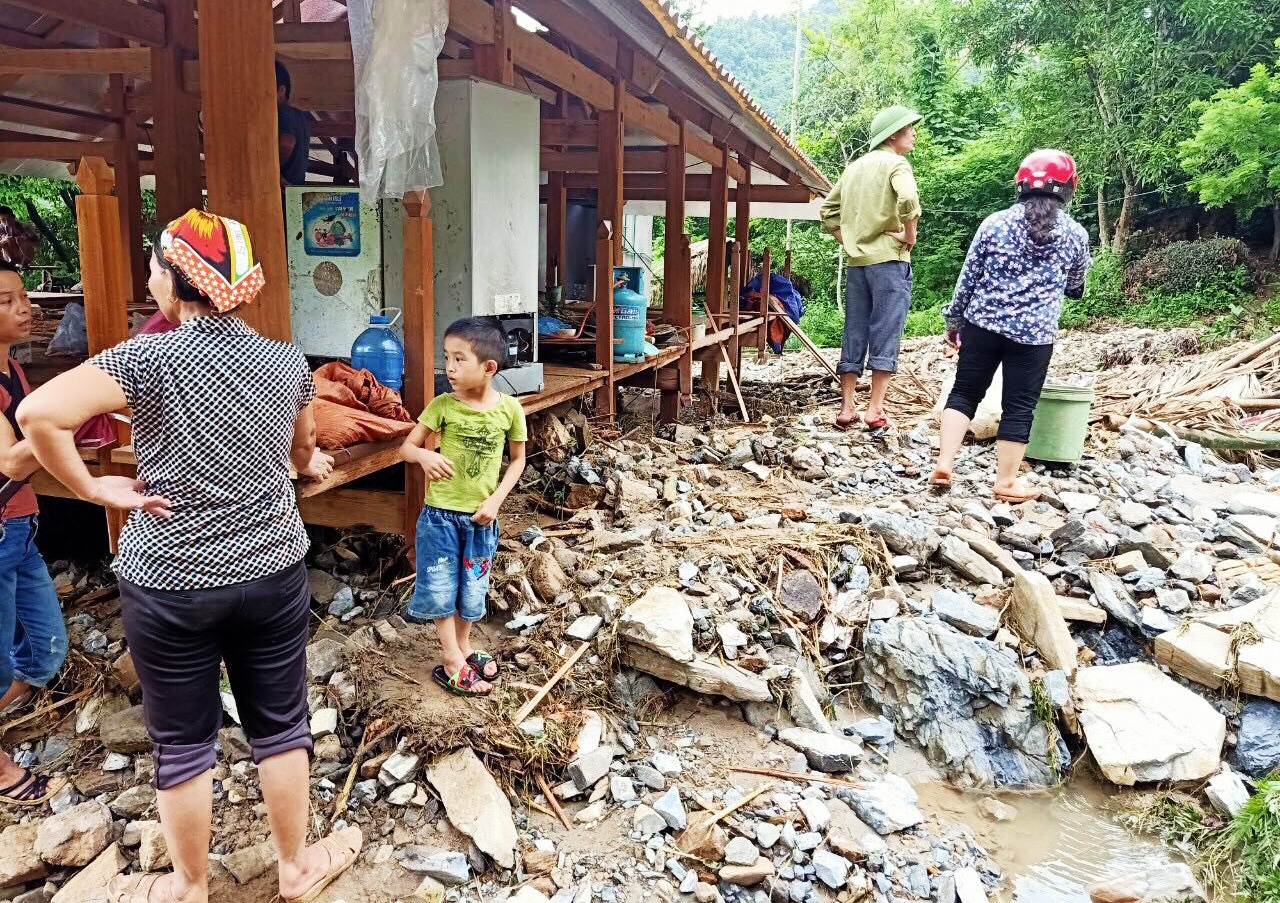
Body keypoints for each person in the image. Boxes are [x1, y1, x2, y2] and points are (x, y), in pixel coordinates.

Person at [18, 210, 355, 903]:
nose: (148, 277)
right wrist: (303, 460)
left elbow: (37, 416)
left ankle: (189, 885)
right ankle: (295, 869)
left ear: (175, 281)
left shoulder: (145, 359)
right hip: (271, 569)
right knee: (282, 726)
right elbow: (299, 453)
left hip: (169, 580)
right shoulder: (286, 360)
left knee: (183, 744)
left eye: (154, 267)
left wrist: (86, 486)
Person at [930, 150, 1091, 503]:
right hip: (1034, 337)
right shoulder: (1075, 234)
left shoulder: (994, 223)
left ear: (1020, 184)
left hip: (983, 325)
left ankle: (944, 464)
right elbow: (1077, 286)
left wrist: (954, 322)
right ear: (1068, 188)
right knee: (1019, 406)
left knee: (964, 393)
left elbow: (967, 279)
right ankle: (1005, 482)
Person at [400, 317, 527, 698]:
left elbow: (518, 460)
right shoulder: (442, 406)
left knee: (472, 588)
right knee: (440, 586)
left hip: (480, 518)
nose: (449, 368)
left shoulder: (509, 410)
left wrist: (496, 499)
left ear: (489, 368)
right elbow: (405, 448)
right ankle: (451, 657)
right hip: (439, 516)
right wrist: (423, 456)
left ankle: (465, 646)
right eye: (447, 358)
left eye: (458, 360)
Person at [0, 261, 67, 807]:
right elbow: (11, 459)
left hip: (20, 529)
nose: (24, 308)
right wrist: (63, 423)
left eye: (21, 296)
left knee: (45, 652)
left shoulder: (14, 370)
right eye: (5, 301)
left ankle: (7, 698)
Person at [820, 105, 923, 431]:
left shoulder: (854, 168)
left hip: (858, 264)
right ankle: (874, 410)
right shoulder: (897, 163)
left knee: (855, 330)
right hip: (889, 262)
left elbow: (827, 212)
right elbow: (908, 199)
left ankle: (847, 407)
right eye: (909, 129)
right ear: (893, 134)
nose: (914, 134)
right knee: (886, 331)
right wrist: (910, 235)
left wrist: (848, 240)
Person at [277, 61, 311, 186]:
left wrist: (271, 173)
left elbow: (287, 142)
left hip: (280, 194)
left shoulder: (280, 112)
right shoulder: (302, 117)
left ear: (281, 90)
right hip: (295, 192)